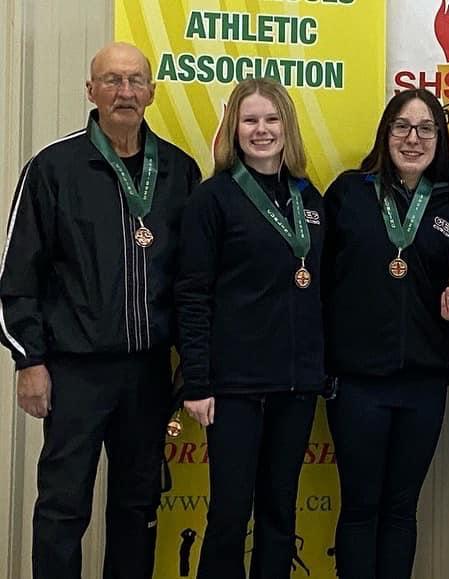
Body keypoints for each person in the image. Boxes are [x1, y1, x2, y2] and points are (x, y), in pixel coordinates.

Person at [0, 42, 200, 578]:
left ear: (152, 92)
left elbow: (194, 280)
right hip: (74, 370)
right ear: (91, 90)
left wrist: (192, 364)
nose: (124, 92)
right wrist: (29, 361)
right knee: (63, 507)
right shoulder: (53, 168)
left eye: (135, 81)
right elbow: (18, 276)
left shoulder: (179, 171)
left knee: (138, 505)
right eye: (112, 80)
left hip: (150, 372)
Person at [322, 88, 449, 579]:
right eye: (402, 126)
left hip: (423, 382)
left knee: (401, 510)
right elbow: (320, 282)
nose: (412, 139)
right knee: (359, 507)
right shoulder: (349, 193)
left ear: (440, 137)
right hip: (357, 382)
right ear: (386, 133)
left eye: (425, 129)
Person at [175, 77, 324, 579]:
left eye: (272, 119)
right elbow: (192, 295)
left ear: (288, 127)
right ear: (233, 129)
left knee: (280, 515)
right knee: (230, 515)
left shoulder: (309, 199)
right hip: (234, 386)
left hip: (295, 384)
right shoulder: (212, 199)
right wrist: (197, 382)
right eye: (250, 120)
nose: (262, 130)